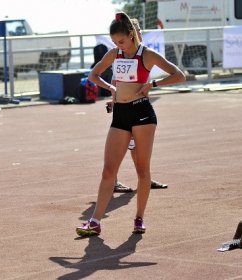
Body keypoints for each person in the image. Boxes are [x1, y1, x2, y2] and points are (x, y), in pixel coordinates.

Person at [76, 11, 185, 237]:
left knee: (142, 170)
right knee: (108, 171)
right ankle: (95, 221)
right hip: (121, 115)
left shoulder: (148, 55)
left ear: (132, 35)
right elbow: (93, 75)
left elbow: (179, 75)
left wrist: (153, 84)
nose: (119, 46)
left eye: (122, 41)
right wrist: (112, 89)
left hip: (142, 114)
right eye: (115, 42)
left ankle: (139, 218)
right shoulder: (115, 54)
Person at [112, 18, 167, 193]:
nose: (139, 33)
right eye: (136, 30)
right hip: (125, 108)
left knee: (135, 147)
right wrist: (114, 98)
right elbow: (117, 81)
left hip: (139, 107)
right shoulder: (122, 53)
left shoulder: (143, 54)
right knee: (124, 148)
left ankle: (144, 177)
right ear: (130, 33)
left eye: (140, 30)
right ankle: (118, 179)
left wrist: (151, 86)